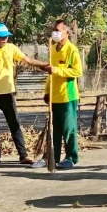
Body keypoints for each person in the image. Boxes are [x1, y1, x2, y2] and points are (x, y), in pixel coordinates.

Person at [0, 23, 50, 166]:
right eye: (1, 37)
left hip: (8, 93)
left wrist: (45, 65)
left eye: (6, 36)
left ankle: (23, 155)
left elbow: (27, 60)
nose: (5, 39)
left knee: (15, 124)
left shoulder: (11, 48)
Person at [38, 20, 83, 170]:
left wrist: (57, 70)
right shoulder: (52, 48)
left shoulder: (72, 50)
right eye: (54, 30)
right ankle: (53, 156)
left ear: (67, 33)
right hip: (54, 96)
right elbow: (50, 74)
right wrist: (46, 91)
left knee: (69, 129)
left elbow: (77, 71)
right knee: (54, 129)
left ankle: (71, 157)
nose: (55, 33)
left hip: (67, 96)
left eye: (58, 30)